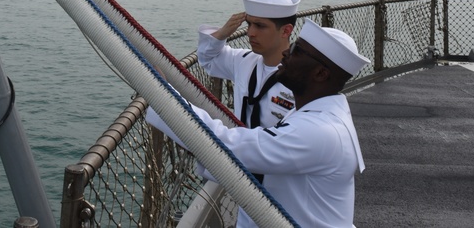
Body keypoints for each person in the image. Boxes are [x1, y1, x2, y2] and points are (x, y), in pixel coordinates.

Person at [148, 20, 368, 228]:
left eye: (297, 51)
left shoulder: (319, 131)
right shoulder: (315, 115)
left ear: (320, 73)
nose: (286, 52)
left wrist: (162, 95)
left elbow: (230, 147)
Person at [198, 0, 300, 130]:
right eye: (249, 24)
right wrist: (222, 34)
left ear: (286, 31)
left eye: (260, 26)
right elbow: (208, 59)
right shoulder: (244, 61)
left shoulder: (303, 78)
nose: (250, 33)